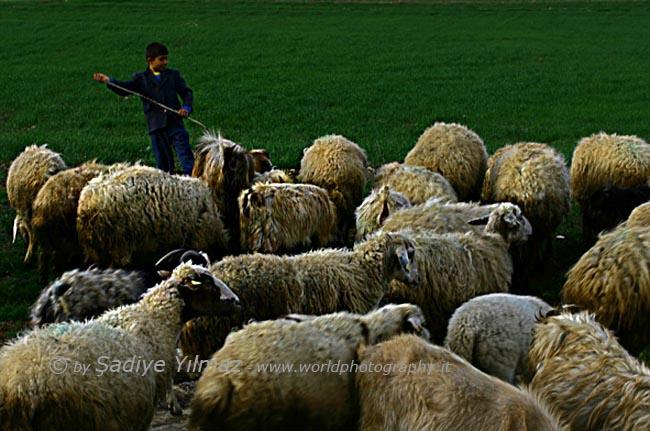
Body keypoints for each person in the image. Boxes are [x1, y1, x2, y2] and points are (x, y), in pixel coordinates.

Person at [93, 42, 195, 174]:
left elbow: (187, 93)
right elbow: (125, 89)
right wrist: (109, 81)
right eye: (161, 59)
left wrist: (186, 107)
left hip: (175, 124)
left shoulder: (173, 75)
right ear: (150, 60)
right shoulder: (141, 79)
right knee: (163, 167)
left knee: (187, 159)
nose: (166, 62)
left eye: (166, 58)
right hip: (156, 128)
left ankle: (194, 185)